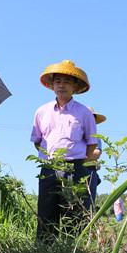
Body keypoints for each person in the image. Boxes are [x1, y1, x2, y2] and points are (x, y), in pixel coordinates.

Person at [30, 60, 97, 239]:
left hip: (74, 168)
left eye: (67, 82)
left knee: (72, 215)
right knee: (46, 212)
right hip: (49, 168)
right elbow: (37, 141)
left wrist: (80, 163)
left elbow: (92, 143)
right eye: (58, 81)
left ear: (75, 86)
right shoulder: (41, 112)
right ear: (52, 85)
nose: (61, 86)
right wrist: (48, 157)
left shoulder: (84, 113)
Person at [84, 107, 106, 209]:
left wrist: (79, 156)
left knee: (89, 202)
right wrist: (89, 158)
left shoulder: (96, 138)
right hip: (75, 170)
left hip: (89, 171)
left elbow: (96, 154)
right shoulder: (75, 136)